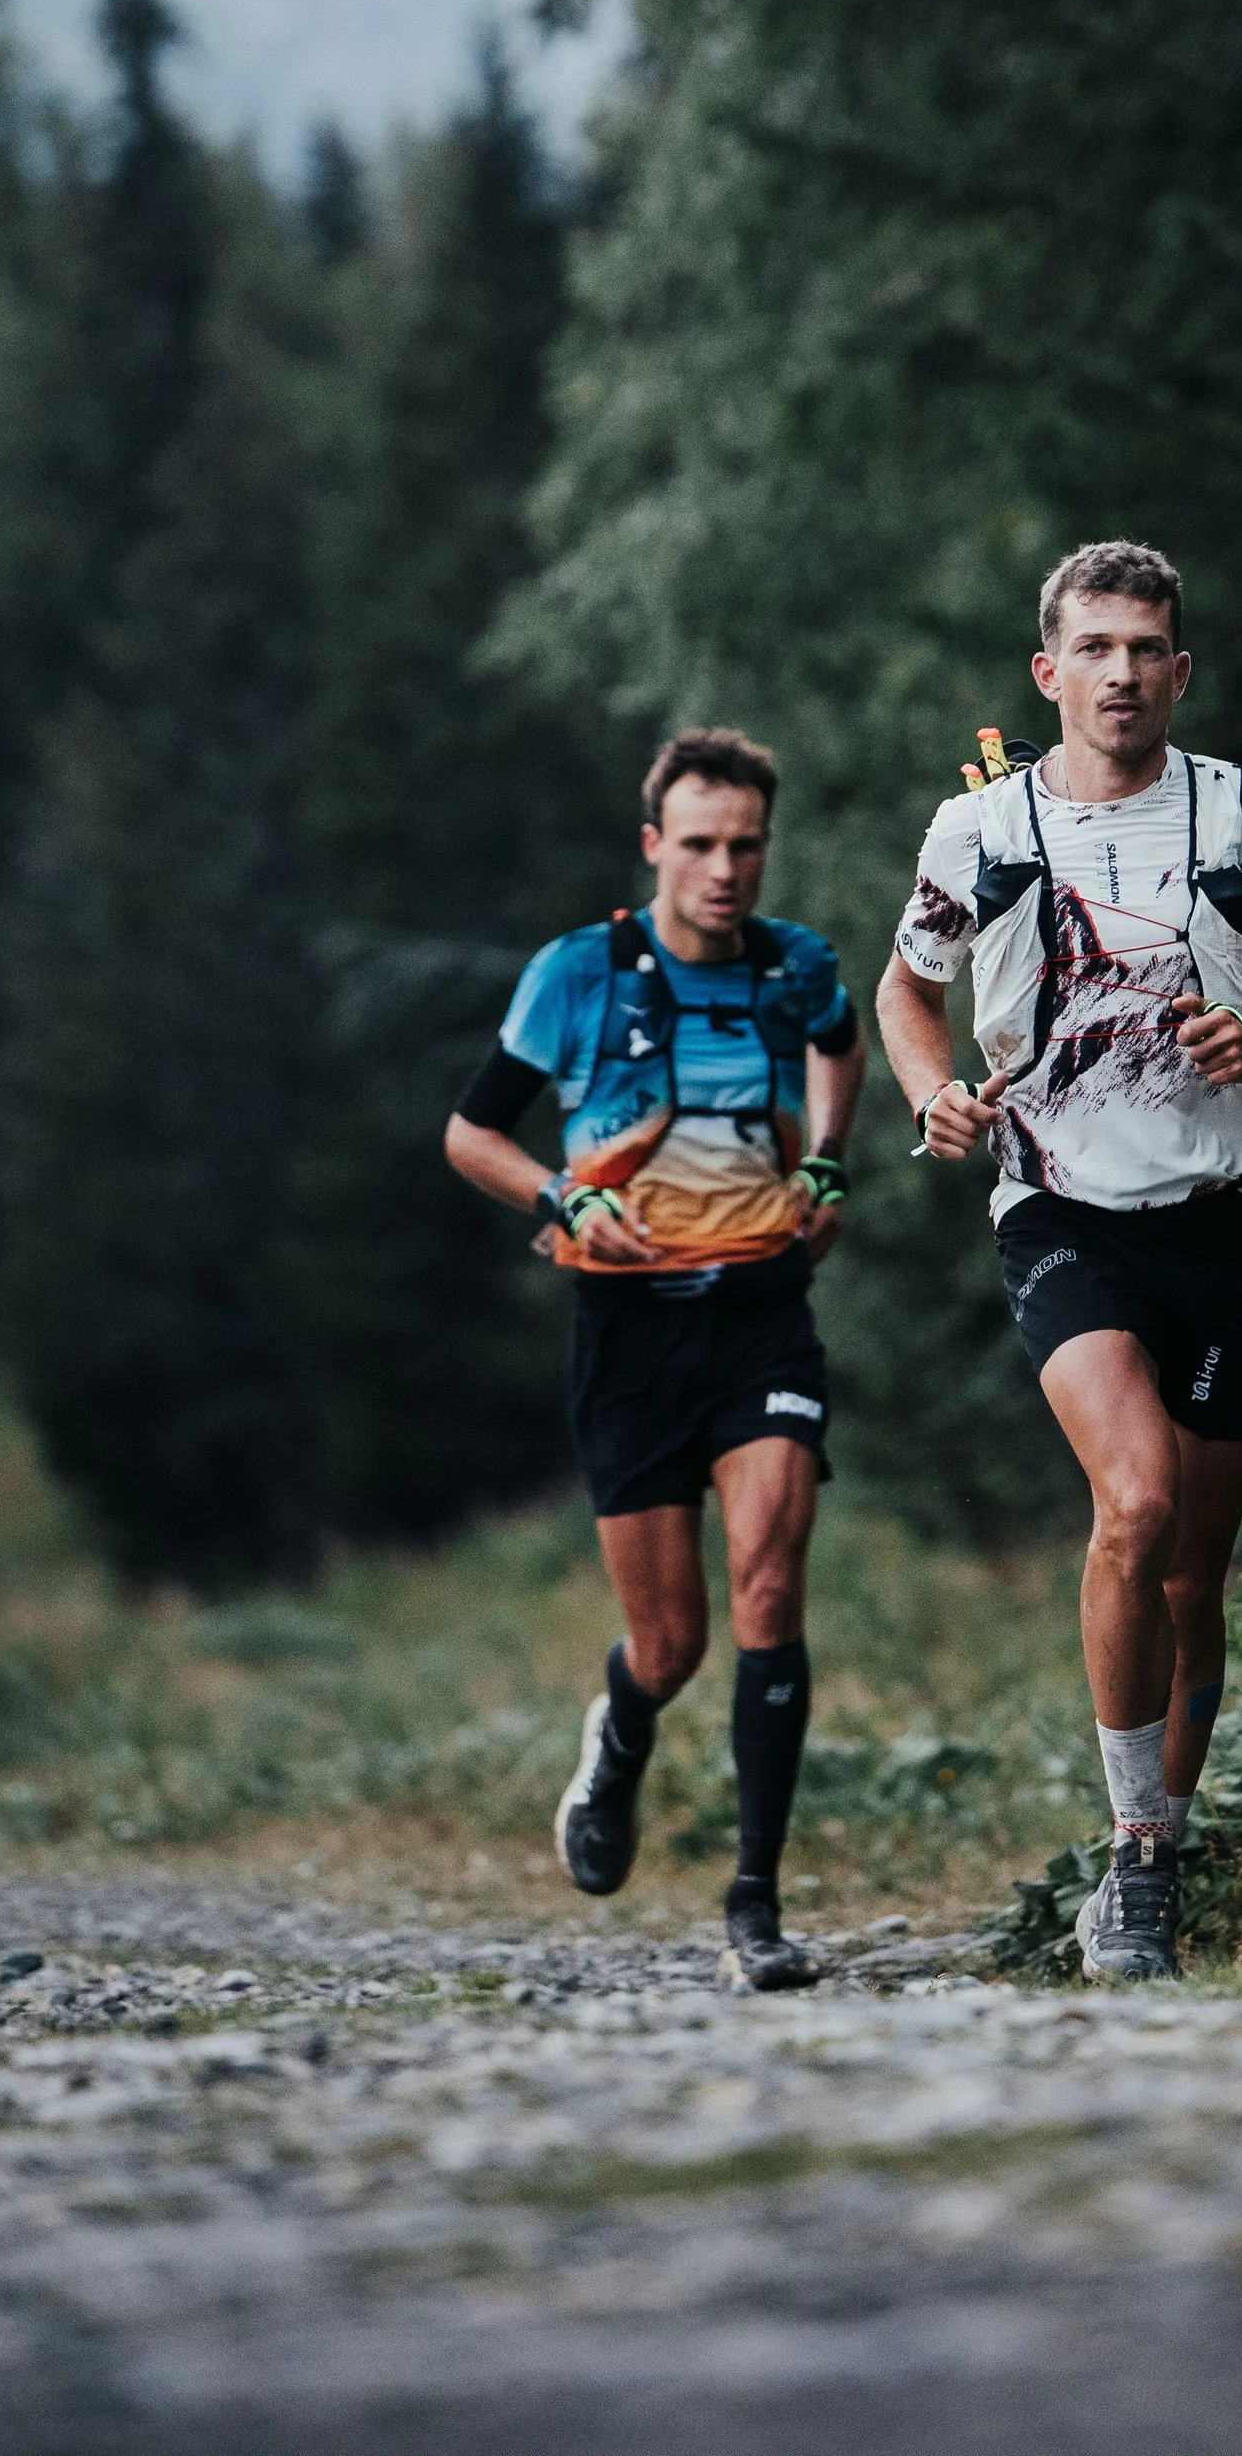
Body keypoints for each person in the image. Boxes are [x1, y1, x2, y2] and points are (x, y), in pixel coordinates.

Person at [875, 542, 1242, 1985]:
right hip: (1058, 1214)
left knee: (1192, 1582)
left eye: (1146, 646)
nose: (1121, 670)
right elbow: (906, 987)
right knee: (1136, 1504)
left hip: (1222, 1218)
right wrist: (931, 1089)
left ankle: (1164, 1833)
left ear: (1182, 670)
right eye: (1093, 646)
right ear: (1048, 672)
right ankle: (1140, 1859)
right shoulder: (978, 826)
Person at [445, 726, 865, 1991]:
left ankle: (757, 1908)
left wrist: (828, 1163)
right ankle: (620, 1736)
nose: (724, 870)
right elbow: (471, 1133)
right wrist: (562, 1203)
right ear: (653, 849)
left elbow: (840, 1045)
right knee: (672, 1645)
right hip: (626, 1338)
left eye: (745, 846)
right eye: (698, 846)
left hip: (759, 1319)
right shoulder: (578, 974)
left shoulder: (795, 967)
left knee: (771, 1589)